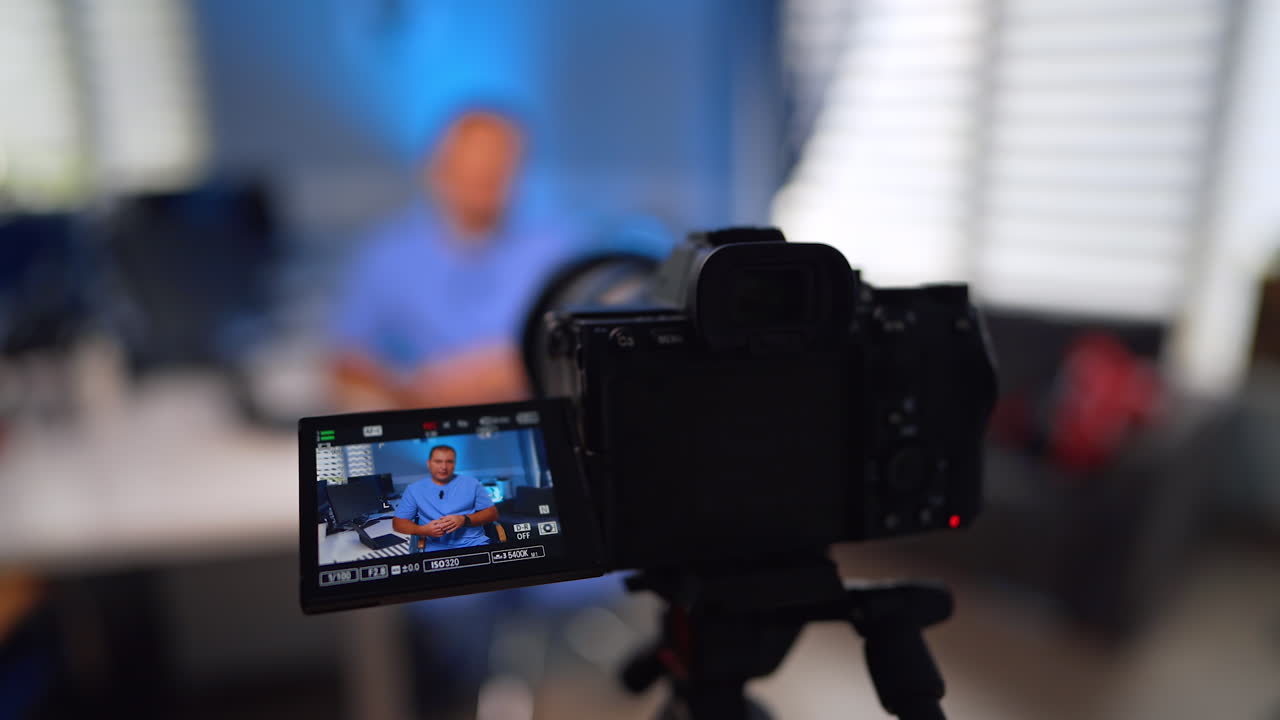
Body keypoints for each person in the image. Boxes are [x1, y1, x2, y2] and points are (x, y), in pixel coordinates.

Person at [330, 105, 581, 411]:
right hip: (422, 426)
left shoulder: (558, 250)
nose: (484, 178)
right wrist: (411, 390)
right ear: (436, 169)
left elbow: (580, 350)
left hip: (526, 426)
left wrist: (516, 367)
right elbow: (346, 361)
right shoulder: (386, 254)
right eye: (471, 167)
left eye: (497, 168)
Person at [393, 445, 498, 552]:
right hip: (436, 549)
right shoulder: (414, 490)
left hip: (475, 543)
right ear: (429, 463)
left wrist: (464, 520)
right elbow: (398, 523)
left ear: (454, 464)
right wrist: (422, 530)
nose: (443, 467)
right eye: (438, 461)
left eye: (449, 462)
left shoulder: (472, 484)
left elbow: (492, 513)